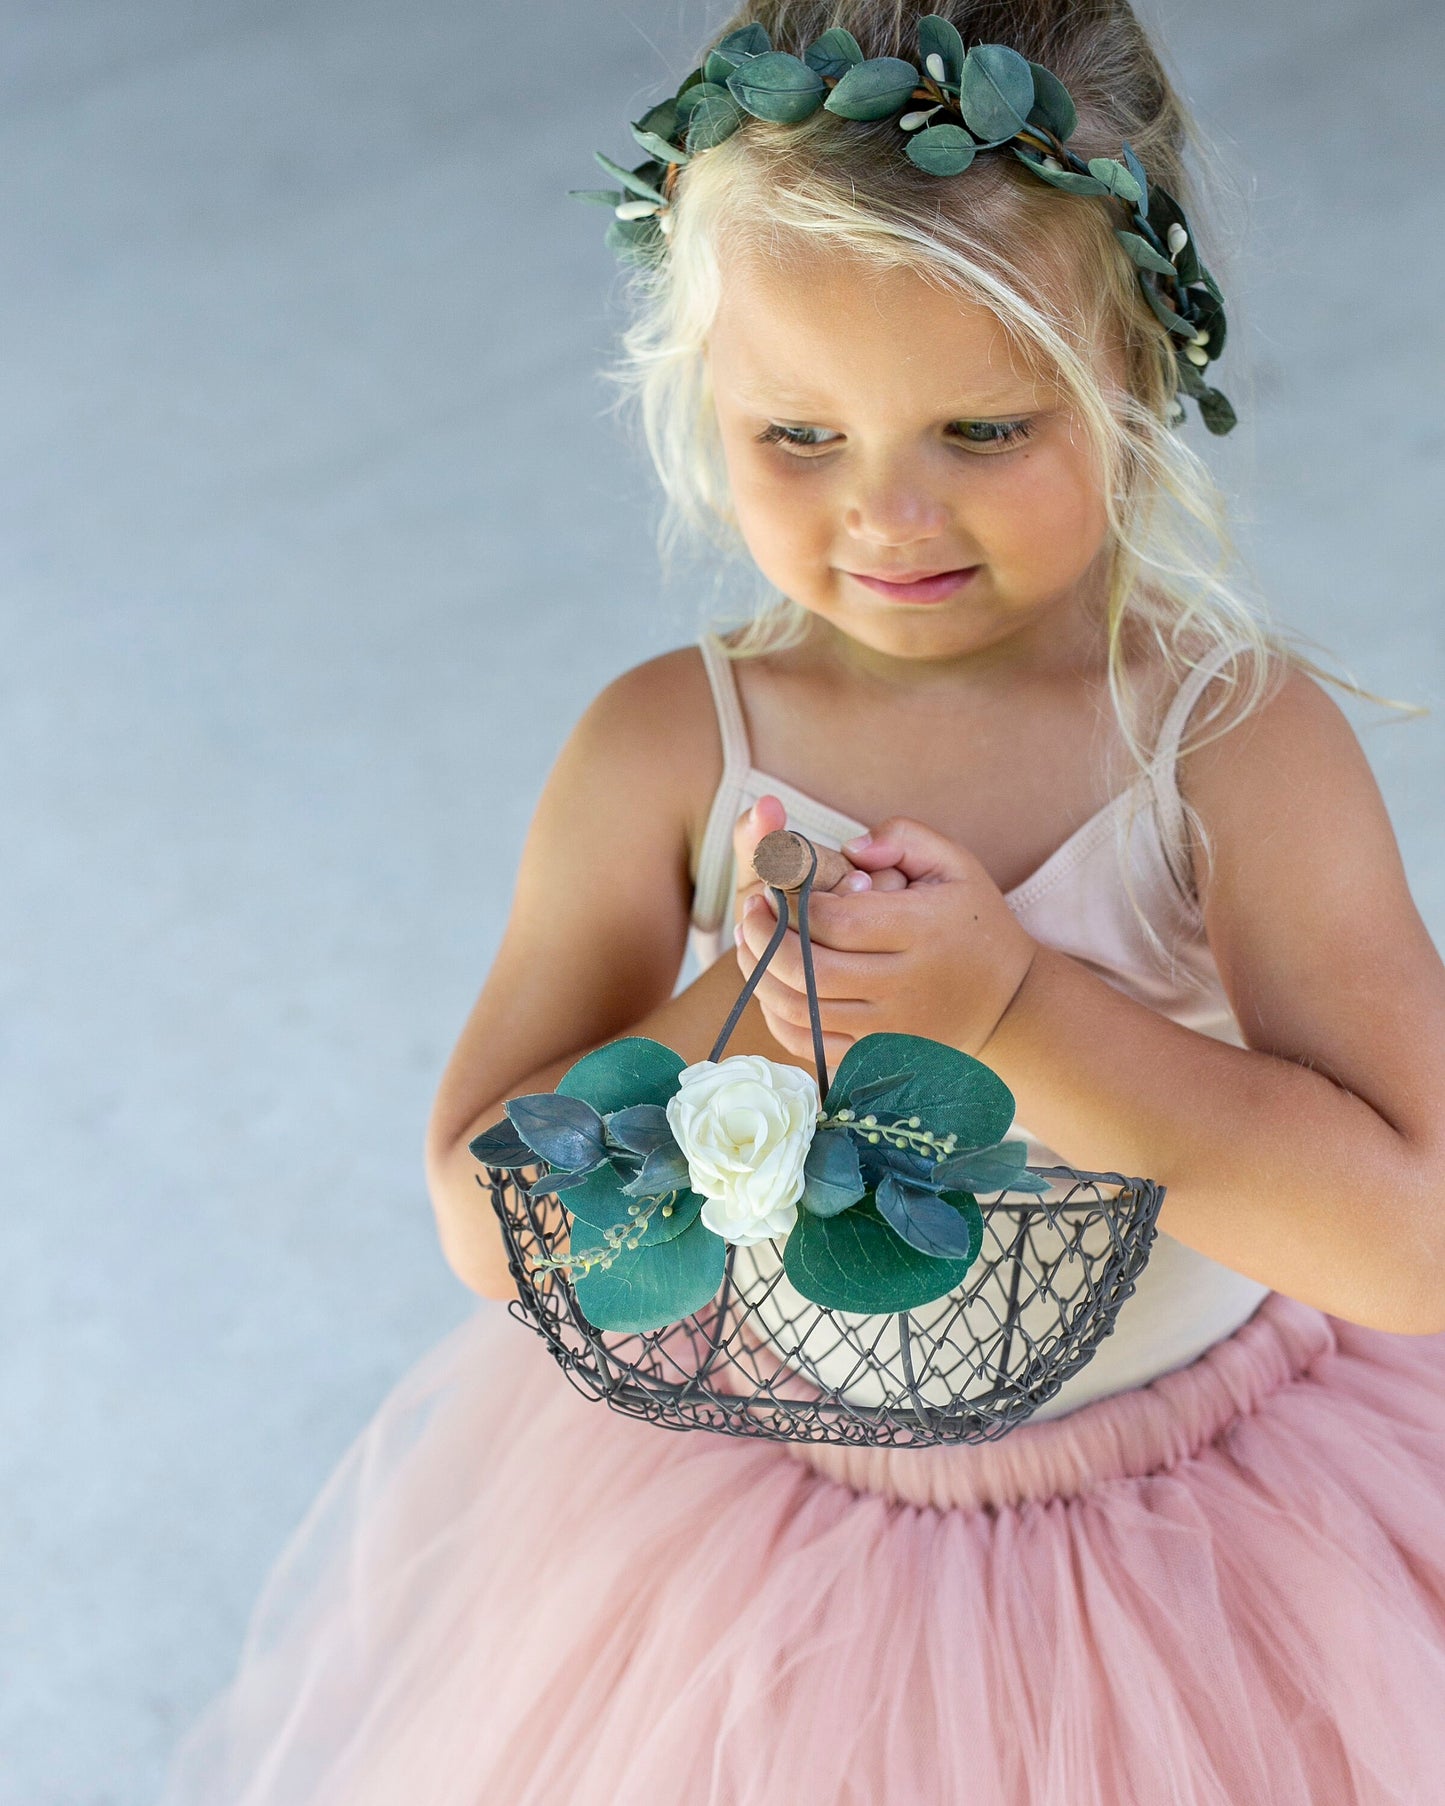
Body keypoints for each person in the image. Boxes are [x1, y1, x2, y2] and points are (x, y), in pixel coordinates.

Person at [161, 4, 1445, 1801]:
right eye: (798, 432)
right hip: (783, 1559)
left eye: (982, 426)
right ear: (705, 399)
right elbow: (483, 1217)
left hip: (1214, 1519)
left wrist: (1016, 1012)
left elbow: (1412, 1237)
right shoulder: (665, 748)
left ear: (1137, 373)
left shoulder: (1223, 742)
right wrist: (758, 999)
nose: (888, 513)